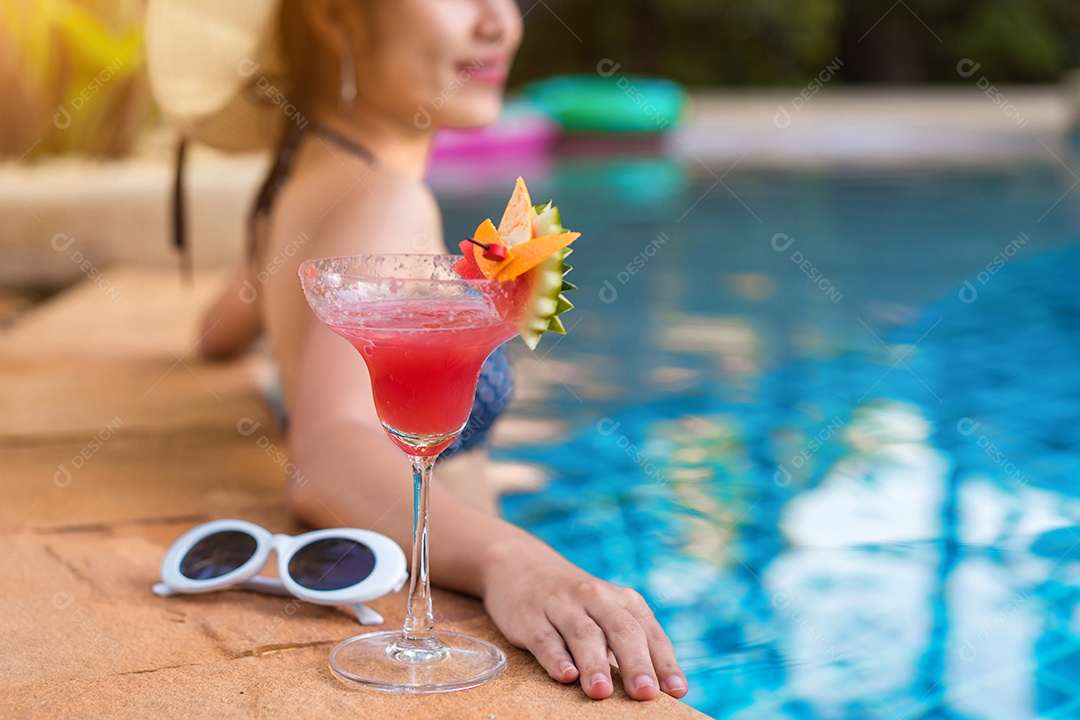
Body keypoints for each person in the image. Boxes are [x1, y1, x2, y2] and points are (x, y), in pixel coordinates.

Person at [147, 0, 687, 702]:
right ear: (335, 18)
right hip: (456, 606)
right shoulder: (389, 203)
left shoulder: (301, 179)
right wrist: (515, 563)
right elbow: (326, 449)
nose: (500, 22)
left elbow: (218, 330)